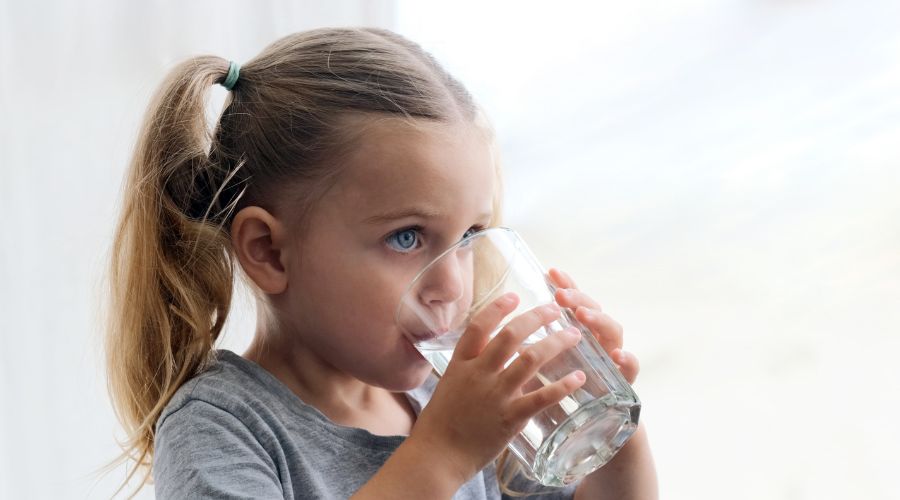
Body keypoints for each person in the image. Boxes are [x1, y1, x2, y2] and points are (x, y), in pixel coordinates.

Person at [105, 27, 657, 499]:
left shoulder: (457, 394)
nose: (451, 285)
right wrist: (442, 454)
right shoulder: (221, 427)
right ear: (269, 251)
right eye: (407, 237)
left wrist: (611, 437)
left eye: (469, 235)